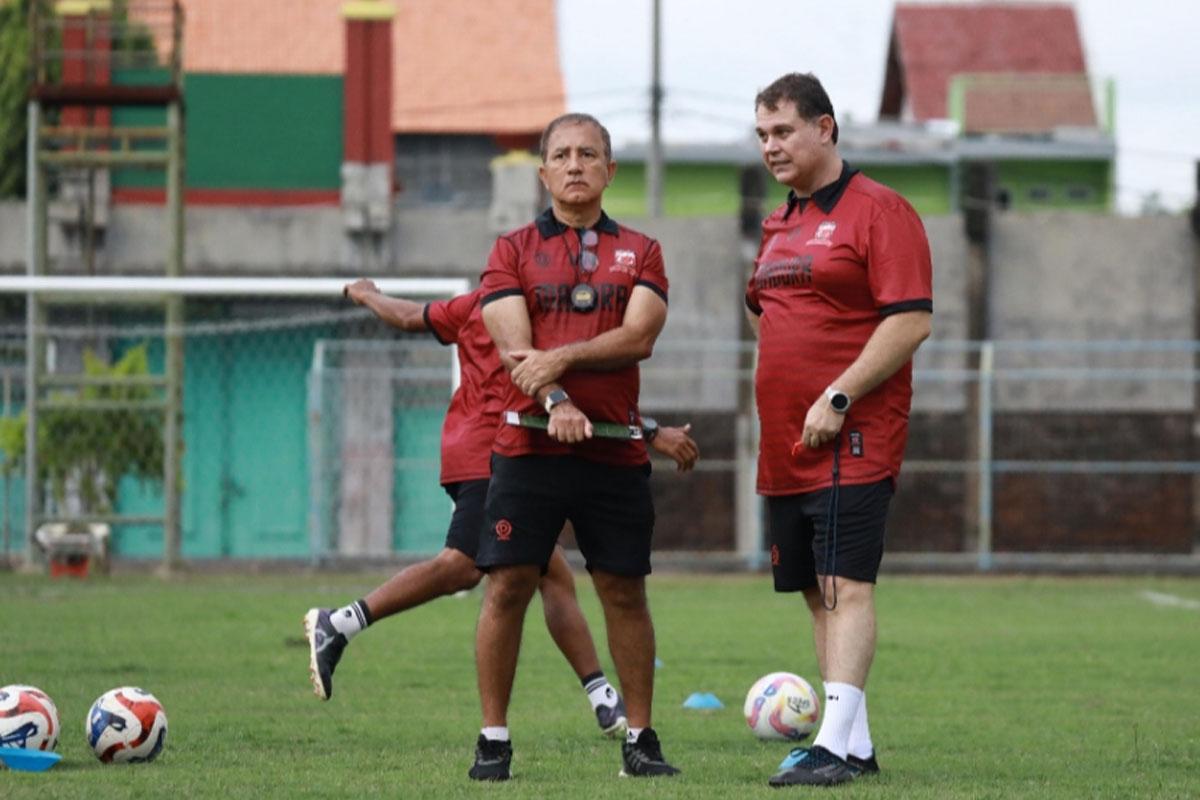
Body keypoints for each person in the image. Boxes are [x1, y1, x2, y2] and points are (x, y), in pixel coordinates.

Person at [303, 282, 698, 741]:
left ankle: (603, 700)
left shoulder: (478, 303)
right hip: (493, 451)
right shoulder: (543, 310)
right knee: (466, 565)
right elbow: (574, 392)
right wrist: (651, 433)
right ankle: (340, 623)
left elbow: (411, 315)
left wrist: (367, 295)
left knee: (549, 572)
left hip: (485, 449)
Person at [469, 112, 679, 781]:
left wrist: (558, 364)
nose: (575, 164)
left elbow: (639, 335)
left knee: (624, 591)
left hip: (614, 452)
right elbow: (512, 348)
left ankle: (640, 740)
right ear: (543, 172)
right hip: (530, 447)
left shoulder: (641, 250)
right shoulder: (511, 250)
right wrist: (555, 399)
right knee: (507, 585)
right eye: (561, 154)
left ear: (610, 170)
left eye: (589, 153)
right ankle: (493, 740)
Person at [746, 73, 932, 787]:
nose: (771, 146)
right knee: (812, 590)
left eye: (784, 131)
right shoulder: (780, 222)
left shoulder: (881, 211)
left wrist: (839, 396)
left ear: (825, 128)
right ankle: (853, 743)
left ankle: (827, 747)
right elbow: (765, 310)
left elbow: (911, 319)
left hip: (851, 436)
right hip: (784, 445)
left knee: (843, 583)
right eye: (762, 134)